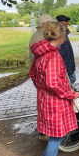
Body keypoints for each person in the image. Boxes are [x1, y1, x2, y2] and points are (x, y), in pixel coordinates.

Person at [29, 22, 79, 156]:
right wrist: (71, 94)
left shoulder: (40, 52)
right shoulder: (53, 56)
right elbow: (53, 83)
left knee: (54, 137)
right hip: (55, 103)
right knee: (56, 137)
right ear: (61, 36)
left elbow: (32, 74)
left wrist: (41, 89)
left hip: (44, 99)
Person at [28, 13, 56, 142]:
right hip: (46, 77)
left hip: (39, 77)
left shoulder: (36, 36)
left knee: (43, 103)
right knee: (48, 104)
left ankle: (43, 129)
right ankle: (47, 131)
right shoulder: (41, 37)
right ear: (44, 25)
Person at [56, 15, 76, 85]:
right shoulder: (59, 34)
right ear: (60, 22)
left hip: (68, 66)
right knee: (71, 85)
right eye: (66, 22)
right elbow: (62, 52)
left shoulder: (64, 33)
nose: (68, 23)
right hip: (65, 67)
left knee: (73, 83)